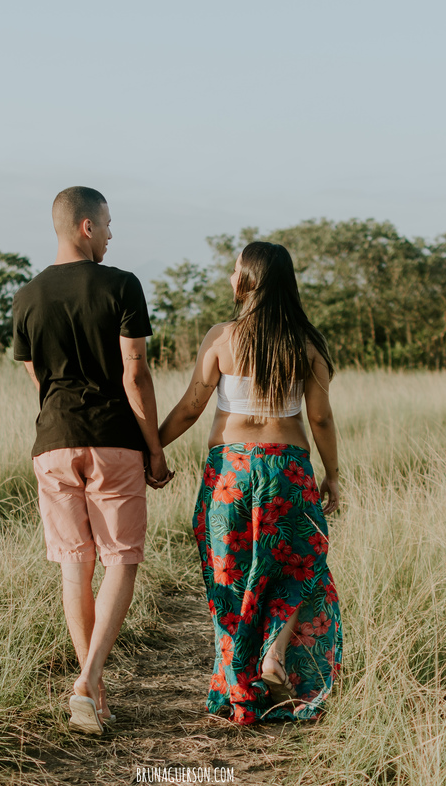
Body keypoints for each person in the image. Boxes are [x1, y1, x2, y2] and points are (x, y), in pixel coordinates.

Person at [158, 241, 342, 725]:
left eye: (235, 270)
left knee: (231, 573)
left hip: (231, 473)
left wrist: (152, 449)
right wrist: (334, 474)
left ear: (246, 281)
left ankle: (240, 689)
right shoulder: (307, 343)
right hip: (288, 469)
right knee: (299, 564)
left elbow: (190, 407)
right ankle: (275, 654)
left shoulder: (223, 338)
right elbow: (319, 419)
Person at [12, 186, 173, 736]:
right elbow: (136, 373)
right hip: (113, 441)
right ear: (86, 226)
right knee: (121, 560)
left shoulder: (26, 296)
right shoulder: (121, 284)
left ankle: (93, 693)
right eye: (107, 224)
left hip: (52, 442)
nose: (110, 234)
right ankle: (90, 677)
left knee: (73, 566)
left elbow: (35, 374)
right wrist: (155, 447)